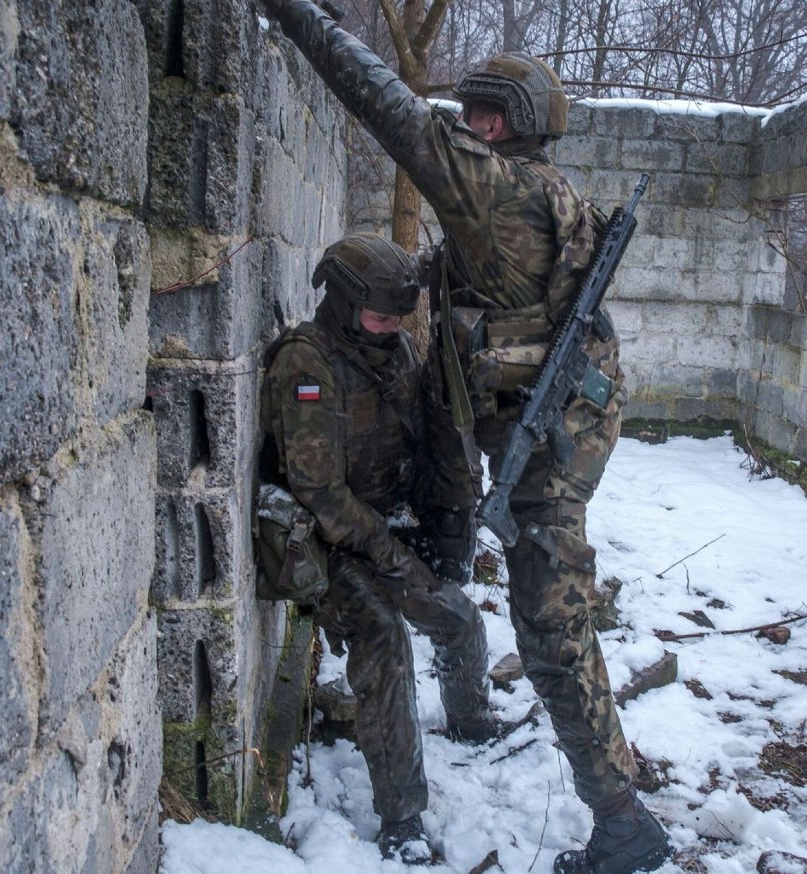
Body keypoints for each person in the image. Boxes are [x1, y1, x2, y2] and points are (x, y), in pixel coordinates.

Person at [256, 5, 672, 873]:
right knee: (542, 624)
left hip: (545, 452)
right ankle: (613, 798)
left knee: (554, 632)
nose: (469, 125)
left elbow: (383, 102)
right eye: (471, 110)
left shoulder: (501, 189)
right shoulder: (542, 198)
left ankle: (623, 820)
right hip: (553, 438)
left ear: (515, 130)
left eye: (487, 115)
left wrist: (297, 16)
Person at [258, 232, 497, 863]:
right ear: (341, 299)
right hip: (325, 547)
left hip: (385, 528)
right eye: (380, 315)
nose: (392, 328)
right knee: (385, 640)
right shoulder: (306, 363)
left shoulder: (395, 349)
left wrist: (443, 510)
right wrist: (392, 555)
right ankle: (403, 819)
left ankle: (473, 725)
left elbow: (424, 434)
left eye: (399, 317)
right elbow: (318, 494)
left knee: (459, 616)